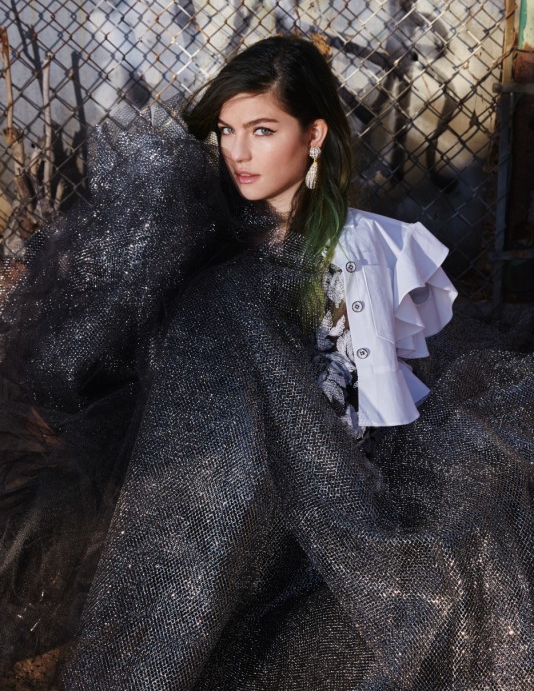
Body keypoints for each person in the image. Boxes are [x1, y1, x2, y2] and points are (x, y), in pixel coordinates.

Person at [0, 36, 533, 690]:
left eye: (262, 129)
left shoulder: (363, 250)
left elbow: (377, 421)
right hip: (205, 487)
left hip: (317, 495)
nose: (239, 152)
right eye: (228, 130)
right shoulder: (202, 237)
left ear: (314, 136)